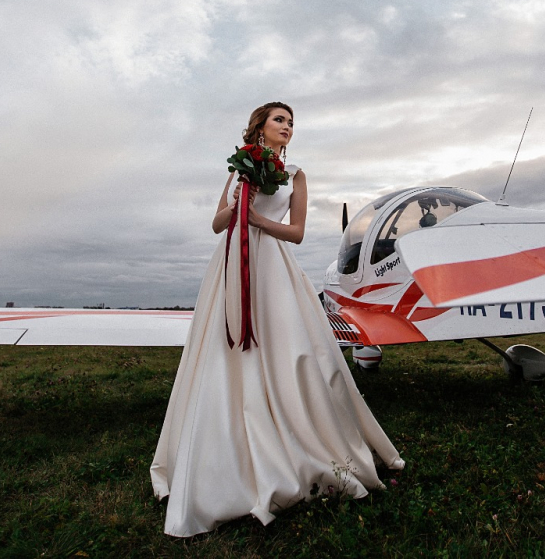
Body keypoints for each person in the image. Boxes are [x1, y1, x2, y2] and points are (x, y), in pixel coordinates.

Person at [150, 102, 404, 537]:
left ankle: (295, 433)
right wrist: (238, 205)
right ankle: (223, 446)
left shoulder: (296, 174)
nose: (287, 127)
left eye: (291, 123)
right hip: (231, 262)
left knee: (287, 348)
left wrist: (257, 219)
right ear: (260, 128)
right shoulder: (238, 169)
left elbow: (297, 233)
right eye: (279, 120)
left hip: (272, 265)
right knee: (223, 348)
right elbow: (217, 224)